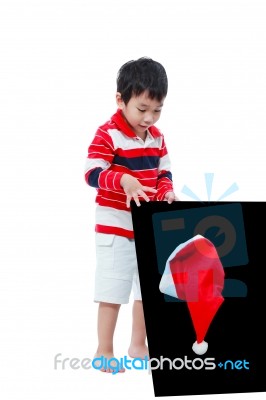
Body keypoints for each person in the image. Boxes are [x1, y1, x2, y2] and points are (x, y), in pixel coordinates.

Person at [84, 57, 178, 373]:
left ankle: (138, 344)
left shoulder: (158, 138)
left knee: (146, 290)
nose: (150, 117)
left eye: (157, 110)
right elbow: (92, 172)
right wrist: (122, 179)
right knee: (113, 289)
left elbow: (164, 173)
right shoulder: (108, 134)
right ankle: (104, 350)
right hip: (114, 226)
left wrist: (166, 191)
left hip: (147, 225)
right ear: (120, 100)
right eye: (142, 109)